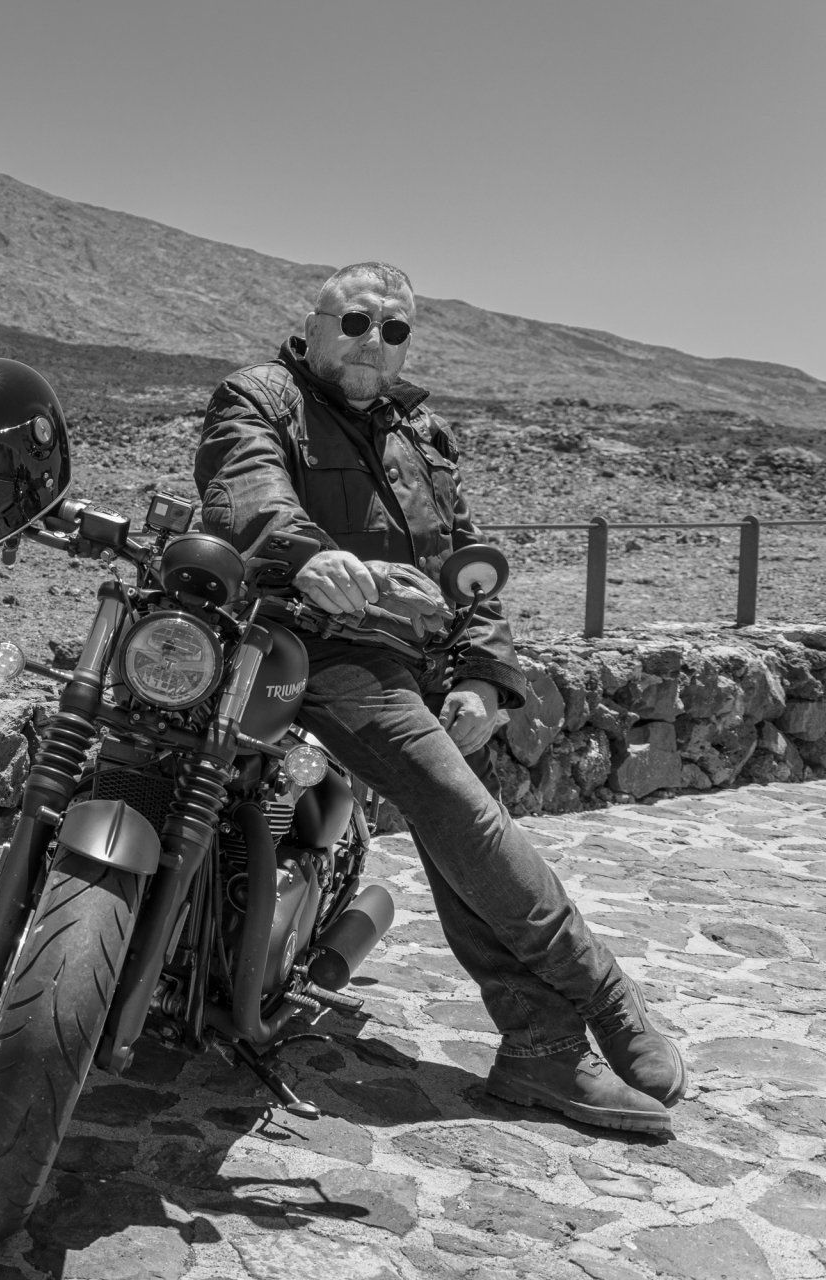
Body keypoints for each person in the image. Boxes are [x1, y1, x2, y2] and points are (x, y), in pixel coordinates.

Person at [193, 262, 685, 1135]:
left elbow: (466, 564)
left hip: (420, 663)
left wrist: (483, 675)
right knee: (466, 817)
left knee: (460, 832)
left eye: (393, 330)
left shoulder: (419, 431)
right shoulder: (261, 396)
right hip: (324, 648)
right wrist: (309, 554)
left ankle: (539, 1051)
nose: (372, 341)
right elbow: (247, 492)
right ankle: (607, 999)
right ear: (313, 325)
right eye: (355, 321)